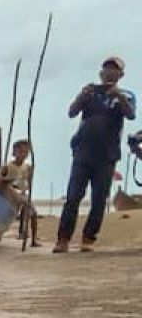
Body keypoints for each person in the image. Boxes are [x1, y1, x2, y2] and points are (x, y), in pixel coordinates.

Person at [55, 56, 137, 252]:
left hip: (107, 155)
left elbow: (131, 114)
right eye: (107, 68)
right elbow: (72, 112)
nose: (110, 72)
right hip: (83, 152)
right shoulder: (90, 91)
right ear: (101, 72)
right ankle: (63, 239)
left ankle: (88, 238)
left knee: (99, 199)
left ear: (121, 75)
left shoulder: (126, 94)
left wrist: (119, 96)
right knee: (73, 197)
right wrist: (82, 96)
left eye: (114, 69)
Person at [1, 139, 41, 247]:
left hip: (22, 194)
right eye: (20, 152)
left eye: (25, 152)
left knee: (32, 212)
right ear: (14, 153)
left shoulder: (27, 168)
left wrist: (30, 178)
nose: (23, 155)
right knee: (25, 204)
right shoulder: (7, 167)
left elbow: (28, 184)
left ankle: (33, 239)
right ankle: (22, 232)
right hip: (10, 193)